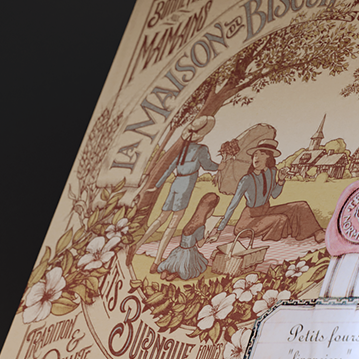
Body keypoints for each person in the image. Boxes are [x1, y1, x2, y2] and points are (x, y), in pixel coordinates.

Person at [129, 115, 220, 274]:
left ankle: (136, 246)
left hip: (175, 184)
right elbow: (208, 166)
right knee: (172, 225)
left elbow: (169, 169)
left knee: (160, 219)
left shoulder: (183, 150)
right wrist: (221, 166)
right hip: (185, 187)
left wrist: (157, 186)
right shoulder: (201, 149)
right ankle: (156, 261)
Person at [210, 141, 324, 243]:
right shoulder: (247, 179)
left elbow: (274, 194)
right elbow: (233, 204)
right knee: (281, 219)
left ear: (268, 157)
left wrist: (280, 180)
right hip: (249, 219)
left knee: (301, 205)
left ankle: (318, 233)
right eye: (255, 154)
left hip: (266, 211)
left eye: (261, 154)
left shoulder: (272, 172)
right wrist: (218, 231)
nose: (256, 157)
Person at [156, 193, 219, 281]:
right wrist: (207, 236)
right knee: (197, 265)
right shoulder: (200, 226)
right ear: (209, 211)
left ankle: (166, 271)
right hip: (189, 253)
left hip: (179, 250)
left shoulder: (190, 223)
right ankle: (175, 274)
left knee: (173, 263)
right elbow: (200, 244)